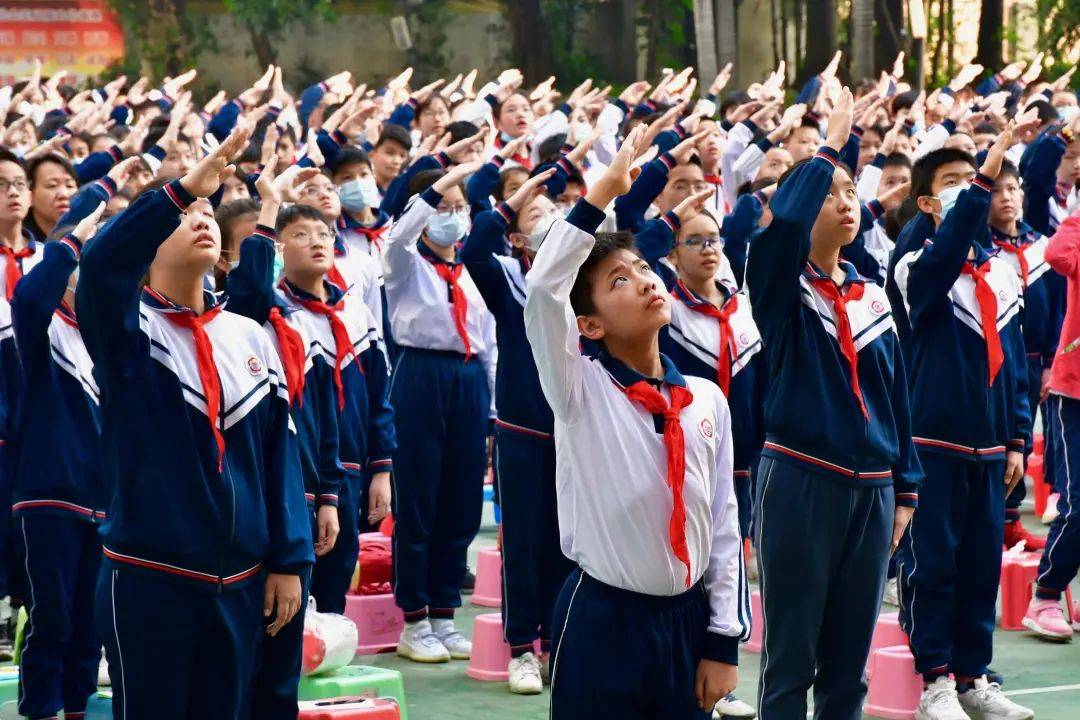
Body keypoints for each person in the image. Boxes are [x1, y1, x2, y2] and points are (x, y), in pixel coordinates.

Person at [76, 124, 314, 720]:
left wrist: (288, 559)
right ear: (149, 241)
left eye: (210, 212)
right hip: (150, 575)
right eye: (186, 216)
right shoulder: (128, 333)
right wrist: (181, 190)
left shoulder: (244, 333)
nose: (202, 218)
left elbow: (277, 458)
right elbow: (102, 266)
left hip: (242, 579)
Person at [525, 123, 747, 720]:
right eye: (618, 281)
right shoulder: (580, 389)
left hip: (688, 620)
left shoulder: (704, 399)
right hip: (603, 620)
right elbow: (545, 291)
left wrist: (723, 638)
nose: (646, 280)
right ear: (590, 326)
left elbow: (722, 521)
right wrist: (599, 196)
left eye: (644, 268)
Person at [745, 88, 921, 720]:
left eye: (850, 192)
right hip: (800, 476)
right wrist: (827, 146)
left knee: (850, 666)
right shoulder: (777, 286)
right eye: (827, 191)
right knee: (791, 658)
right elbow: (783, 224)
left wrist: (905, 488)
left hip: (873, 488)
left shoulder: (870, 292)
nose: (845, 203)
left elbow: (895, 396)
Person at [893, 126, 1036, 720]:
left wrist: (1017, 439)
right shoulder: (912, 267)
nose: (972, 192)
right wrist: (979, 183)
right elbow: (945, 249)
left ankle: (975, 676)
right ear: (927, 203)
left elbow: (1016, 367)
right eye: (953, 185)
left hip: (990, 447)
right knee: (935, 566)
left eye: (972, 181)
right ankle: (936, 681)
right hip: (933, 444)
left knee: (981, 565)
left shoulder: (1001, 271)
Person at [460, 168, 575, 693]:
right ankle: (523, 647)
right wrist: (513, 202)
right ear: (518, 238)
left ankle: (561, 639)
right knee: (525, 541)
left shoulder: (585, 280)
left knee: (572, 541)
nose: (547, 217)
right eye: (534, 215)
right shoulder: (510, 277)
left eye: (552, 210)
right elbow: (475, 249)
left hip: (578, 431)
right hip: (523, 431)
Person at [384, 163, 497, 663]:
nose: (453, 217)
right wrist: (433, 191)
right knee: (419, 495)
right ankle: (413, 616)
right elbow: (399, 234)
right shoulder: (405, 262)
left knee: (461, 497)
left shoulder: (474, 267)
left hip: (469, 376)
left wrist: (491, 405)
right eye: (442, 207)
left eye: (460, 207)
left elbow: (490, 340)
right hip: (420, 372)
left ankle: (446, 611)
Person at [10, 202, 104, 720]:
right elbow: (27, 296)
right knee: (55, 617)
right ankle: (42, 708)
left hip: (102, 501)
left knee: (91, 621)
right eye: (78, 265)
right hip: (49, 495)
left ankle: (77, 707)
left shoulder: (109, 335)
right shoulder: (43, 329)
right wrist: (71, 243)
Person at [989, 160, 1063, 551]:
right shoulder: (982, 248)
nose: (1007, 197)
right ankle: (997, 519)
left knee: (1026, 434)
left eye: (1013, 189)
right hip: (999, 356)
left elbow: (1058, 307)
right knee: (1003, 435)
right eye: (998, 190)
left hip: (1037, 356)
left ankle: (1013, 521)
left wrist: (1052, 361)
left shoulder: (1040, 244)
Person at [1023, 208, 1080, 641]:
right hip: (1074, 391)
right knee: (1078, 504)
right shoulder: (1075, 231)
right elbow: (1059, 255)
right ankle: (1045, 594)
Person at [0, 149, 44, 301]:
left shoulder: (46, 257)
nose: (13, 192)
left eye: (20, 184)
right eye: (1, 184)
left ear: (30, 197)